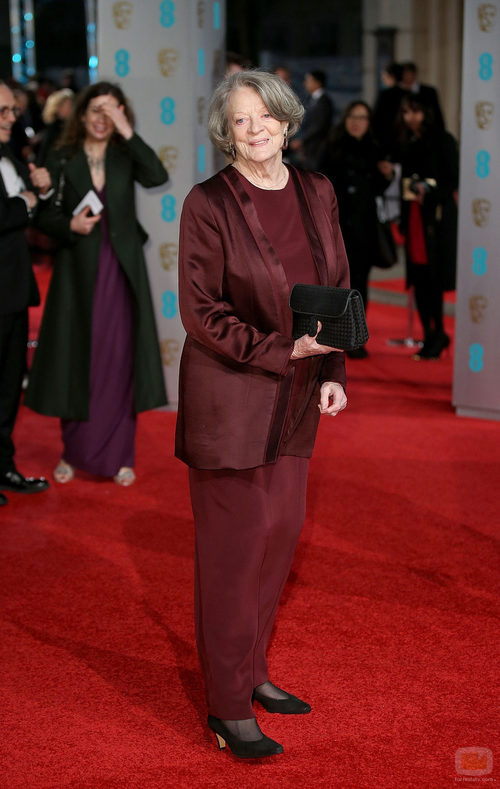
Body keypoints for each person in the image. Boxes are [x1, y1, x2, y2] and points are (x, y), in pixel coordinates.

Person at [176, 70, 349, 758]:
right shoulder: (208, 202)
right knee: (233, 554)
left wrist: (330, 368)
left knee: (279, 538)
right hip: (232, 399)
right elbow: (201, 312)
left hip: (298, 394)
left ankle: (252, 671)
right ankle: (226, 706)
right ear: (226, 132)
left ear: (286, 120)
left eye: (265, 116)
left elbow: (336, 286)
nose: (254, 130)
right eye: (240, 120)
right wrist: (284, 350)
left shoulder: (317, 190)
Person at [25, 81, 168, 484]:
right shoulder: (62, 155)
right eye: (96, 110)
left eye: (111, 110)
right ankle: (73, 452)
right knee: (76, 355)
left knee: (119, 360)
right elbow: (44, 215)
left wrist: (127, 131)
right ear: (82, 114)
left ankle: (120, 455)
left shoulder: (126, 154)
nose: (102, 118)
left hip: (121, 271)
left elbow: (157, 176)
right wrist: (68, 225)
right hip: (76, 270)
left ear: (121, 114)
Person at [0, 79, 52, 506]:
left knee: (7, 390)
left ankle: (3, 466)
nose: (11, 117)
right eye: (3, 111)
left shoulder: (11, 158)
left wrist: (41, 192)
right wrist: (27, 201)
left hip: (15, 291)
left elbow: (28, 207)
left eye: (12, 110)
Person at [324, 101, 393, 358]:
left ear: (368, 123)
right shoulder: (332, 147)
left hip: (364, 227)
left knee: (360, 284)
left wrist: (387, 176)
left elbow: (378, 188)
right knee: (336, 282)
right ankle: (333, 335)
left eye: (362, 117)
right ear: (345, 119)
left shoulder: (375, 149)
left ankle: (355, 338)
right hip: (337, 226)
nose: (357, 122)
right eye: (353, 116)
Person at [395, 92, 458, 359]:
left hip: (436, 219)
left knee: (433, 278)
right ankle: (429, 334)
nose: (410, 117)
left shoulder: (443, 140)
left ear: (427, 113)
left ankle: (438, 332)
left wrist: (428, 193)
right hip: (414, 217)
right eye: (406, 112)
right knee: (419, 278)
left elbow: (452, 179)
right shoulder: (407, 141)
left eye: (416, 111)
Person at [289, 70, 334, 171]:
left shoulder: (324, 101)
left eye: (308, 80)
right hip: (309, 147)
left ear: (317, 82)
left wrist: (302, 140)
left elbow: (319, 126)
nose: (305, 83)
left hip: (318, 147)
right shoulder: (311, 99)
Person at [399, 61, 445, 132]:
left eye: (408, 73)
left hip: (428, 130)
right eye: (403, 74)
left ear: (414, 74)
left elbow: (437, 114)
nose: (406, 76)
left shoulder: (429, 91)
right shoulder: (395, 93)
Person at [372, 61, 404, 159]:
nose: (382, 77)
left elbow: (376, 118)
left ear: (391, 75)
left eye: (384, 74)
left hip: (386, 140)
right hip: (403, 139)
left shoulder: (384, 95)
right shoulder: (407, 94)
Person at [36, 88, 74, 166]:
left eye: (71, 105)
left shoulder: (68, 126)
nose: (71, 108)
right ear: (58, 107)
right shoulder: (54, 128)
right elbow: (45, 153)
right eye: (68, 105)